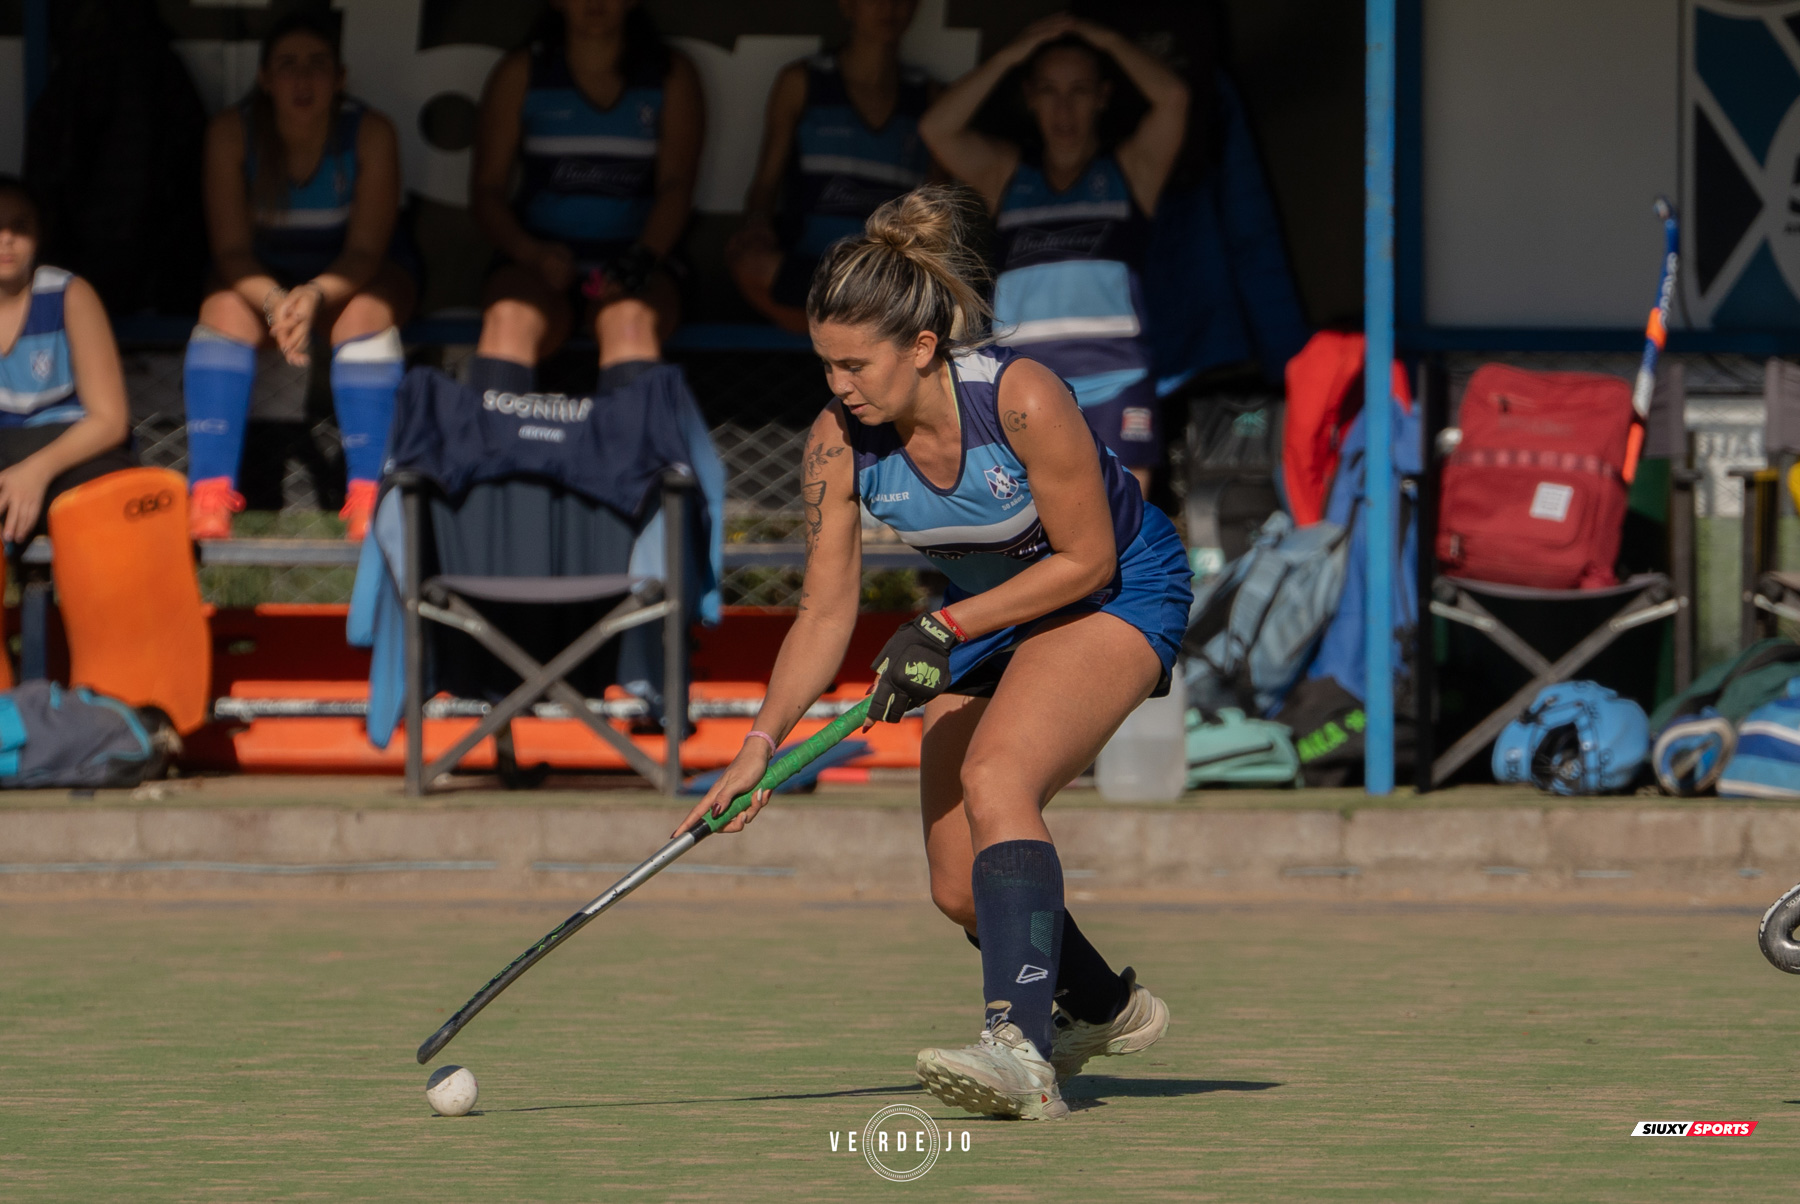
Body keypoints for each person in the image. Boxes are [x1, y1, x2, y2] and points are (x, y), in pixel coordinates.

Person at [675, 186, 1192, 1120]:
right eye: (825, 363)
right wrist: (758, 747)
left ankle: (1019, 1052)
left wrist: (944, 629)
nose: (840, 386)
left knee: (999, 778)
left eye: (856, 364)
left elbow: (1086, 558)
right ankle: (1107, 1007)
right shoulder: (839, 445)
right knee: (958, 886)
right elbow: (824, 614)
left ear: (921, 347)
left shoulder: (1019, 397)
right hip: (988, 616)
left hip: (1118, 588)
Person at [920, 15, 1188, 497]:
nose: (1063, 107)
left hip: (1117, 379)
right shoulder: (1005, 174)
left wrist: (1103, 35)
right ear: (1030, 96)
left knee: (1127, 536)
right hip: (1026, 384)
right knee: (1036, 541)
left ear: (1103, 96)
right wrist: (1012, 52)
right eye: (1048, 90)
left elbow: (1173, 98)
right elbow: (937, 126)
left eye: (1080, 90)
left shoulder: (1132, 171)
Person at [182, 8, 414, 542]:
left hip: (353, 277)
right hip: (262, 279)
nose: (303, 78)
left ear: (340, 78)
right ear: (265, 79)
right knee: (220, 310)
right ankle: (210, 495)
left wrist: (312, 295)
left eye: (317, 64)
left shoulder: (370, 132)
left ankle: (369, 498)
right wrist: (275, 302)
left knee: (364, 313)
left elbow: (364, 253)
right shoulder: (231, 133)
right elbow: (232, 251)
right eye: (287, 65)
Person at [466, 0, 702, 401]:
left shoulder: (668, 72)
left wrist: (637, 262)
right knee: (509, 318)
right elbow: (486, 192)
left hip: (638, 259)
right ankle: (495, 460)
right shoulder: (523, 71)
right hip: (537, 260)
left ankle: (627, 461)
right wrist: (533, 254)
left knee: (629, 321)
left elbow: (677, 187)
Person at [727, 0, 935, 334]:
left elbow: (934, 212)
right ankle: (849, 351)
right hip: (812, 272)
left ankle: (854, 350)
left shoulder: (931, 96)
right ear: (847, 5)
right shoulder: (802, 81)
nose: (891, 8)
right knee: (749, 263)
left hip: (884, 281)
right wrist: (757, 225)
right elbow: (765, 185)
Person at [0, 176, 134, 545]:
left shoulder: (69, 294)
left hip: (69, 452)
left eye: (20, 227)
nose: (6, 238)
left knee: (113, 502)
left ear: (39, 236)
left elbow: (110, 421)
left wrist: (34, 472)